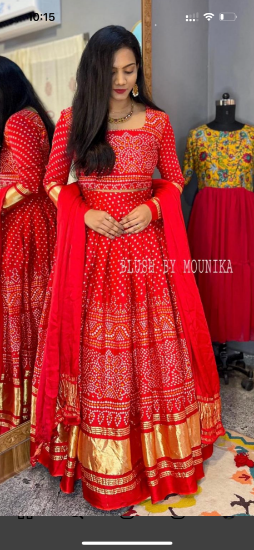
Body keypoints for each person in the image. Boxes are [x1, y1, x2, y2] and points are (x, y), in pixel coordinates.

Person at [30, 25, 225, 511]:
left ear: (139, 71)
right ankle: (108, 467)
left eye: (129, 69)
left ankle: (162, 459)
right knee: (104, 362)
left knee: (154, 355)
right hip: (94, 259)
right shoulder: (76, 118)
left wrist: (154, 209)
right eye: (112, 70)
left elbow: (176, 179)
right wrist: (85, 212)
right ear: (95, 71)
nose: (121, 80)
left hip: (146, 256)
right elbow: (51, 183)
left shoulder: (155, 122)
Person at [0, 57, 57, 434]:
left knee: (19, 308)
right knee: (32, 309)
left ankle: (25, 411)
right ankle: (35, 403)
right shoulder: (31, 114)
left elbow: (30, 180)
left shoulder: (17, 120)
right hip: (34, 222)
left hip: (24, 226)